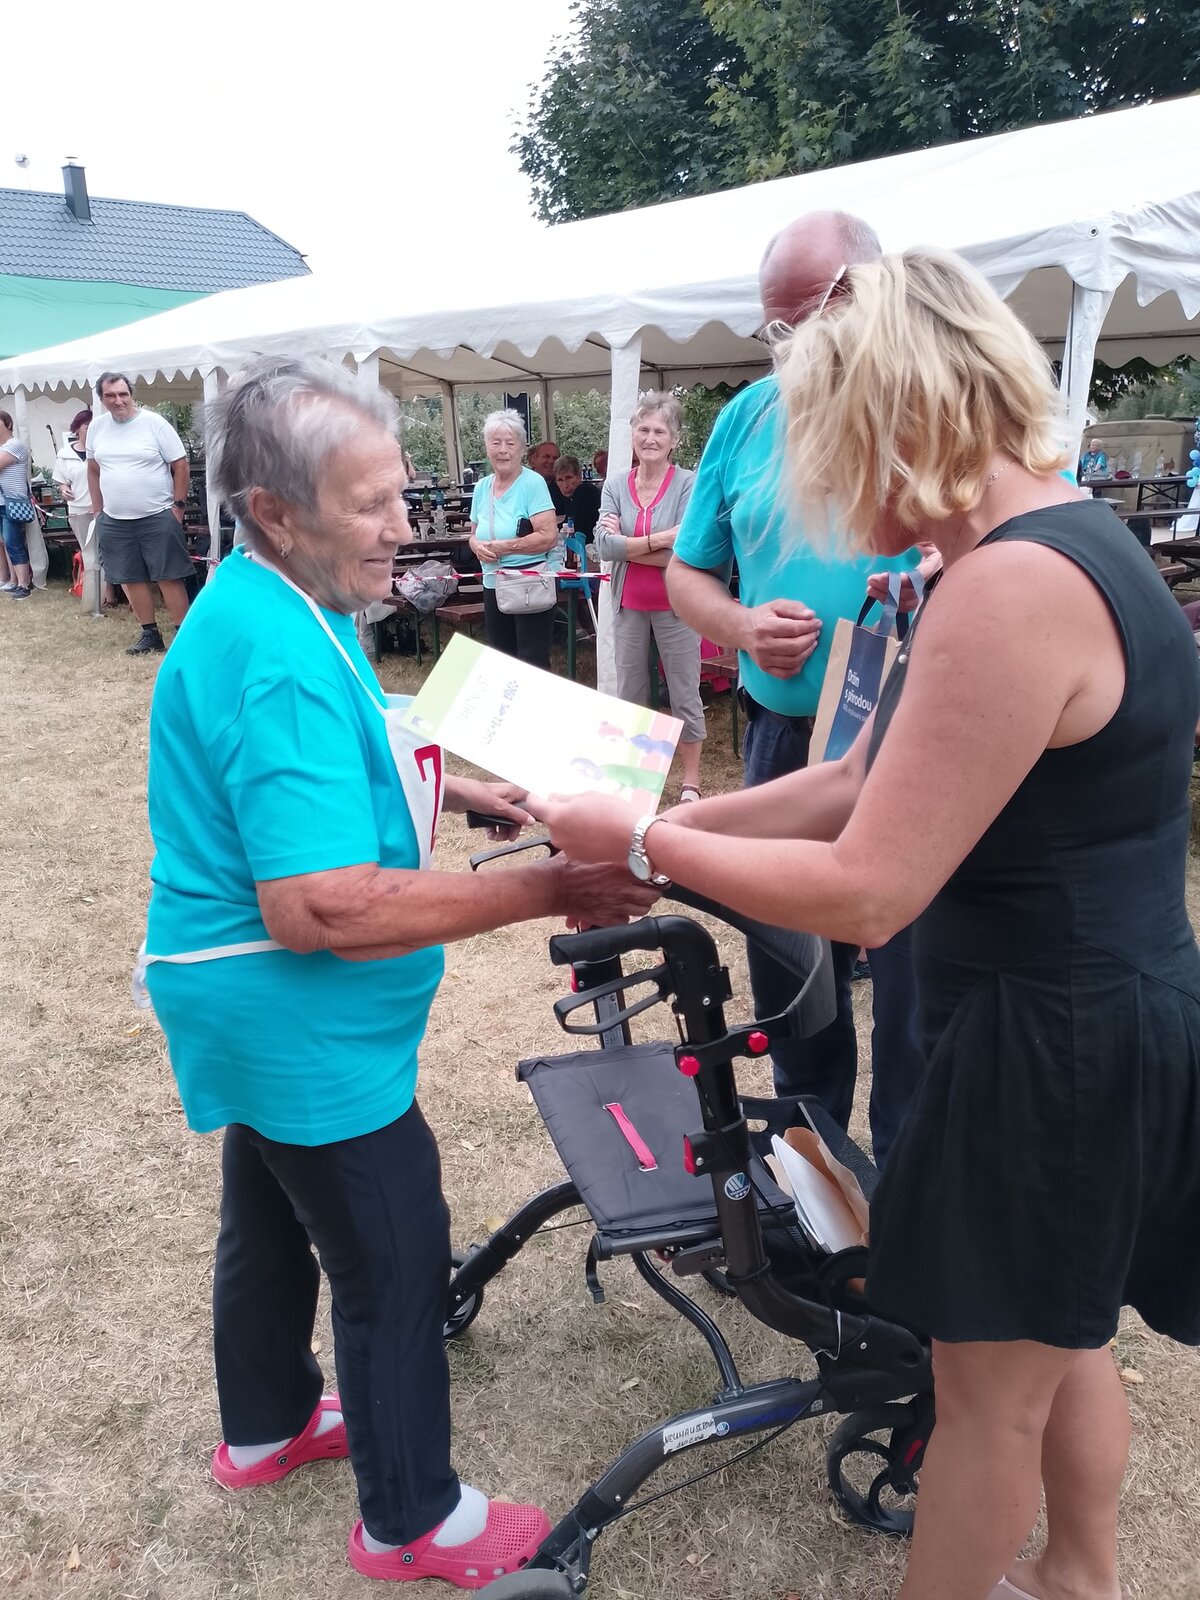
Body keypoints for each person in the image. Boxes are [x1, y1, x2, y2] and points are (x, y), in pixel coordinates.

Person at [528, 246, 1200, 1600]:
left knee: (986, 1387)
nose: (836, 505)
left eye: (837, 454)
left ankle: (1058, 1579)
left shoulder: (1008, 590)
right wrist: (650, 818)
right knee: (1060, 1337)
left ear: (905, 417)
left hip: (1046, 1042)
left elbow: (868, 883)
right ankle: (1078, 1576)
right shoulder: (1060, 546)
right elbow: (851, 782)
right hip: (1085, 1013)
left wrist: (646, 847)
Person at [141, 356, 657, 1587]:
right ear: (275, 511)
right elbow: (320, 903)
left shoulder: (279, 593)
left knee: (270, 1212)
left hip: (245, 1007)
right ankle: (413, 1517)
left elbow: (358, 721)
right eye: (368, 505)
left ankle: (267, 1424)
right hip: (290, 1009)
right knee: (390, 1248)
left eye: (400, 492)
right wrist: (551, 886)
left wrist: (463, 786)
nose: (401, 525)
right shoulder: (274, 644)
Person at [667, 211, 923, 1166]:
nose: (789, 350)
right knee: (790, 962)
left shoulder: (933, 396)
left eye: (806, 323)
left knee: (911, 964)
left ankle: (903, 1171)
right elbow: (689, 571)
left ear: (868, 294)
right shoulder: (746, 417)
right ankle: (810, 1157)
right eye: (774, 330)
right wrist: (740, 627)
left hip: (912, 734)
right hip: (784, 733)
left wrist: (939, 571)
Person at [594, 394, 705, 801]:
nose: (650, 438)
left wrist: (627, 545)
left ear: (674, 439)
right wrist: (659, 540)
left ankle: (690, 780)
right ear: (632, 435)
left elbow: (687, 550)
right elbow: (603, 547)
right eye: (643, 429)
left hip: (678, 606)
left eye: (660, 431)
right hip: (628, 606)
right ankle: (637, 777)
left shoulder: (689, 483)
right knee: (631, 694)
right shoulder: (615, 484)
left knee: (684, 692)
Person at [86, 372, 193, 654]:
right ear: (102, 399)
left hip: (158, 515)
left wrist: (178, 507)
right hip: (115, 520)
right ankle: (150, 634)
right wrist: (98, 510)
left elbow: (180, 465)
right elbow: (93, 469)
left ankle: (183, 635)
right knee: (130, 577)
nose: (118, 400)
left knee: (169, 576)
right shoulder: (97, 428)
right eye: (111, 395)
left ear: (131, 395)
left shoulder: (154, 424)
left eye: (123, 394)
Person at [468, 409, 561, 670]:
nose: (503, 450)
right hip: (492, 583)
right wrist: (475, 546)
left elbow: (549, 536)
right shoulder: (481, 487)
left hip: (528, 583)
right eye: (495, 443)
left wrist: (506, 548)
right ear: (487, 447)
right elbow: (473, 534)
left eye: (510, 443)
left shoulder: (533, 484)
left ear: (521, 448)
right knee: (501, 661)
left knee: (532, 663)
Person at [53, 409, 104, 612]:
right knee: (88, 552)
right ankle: (93, 595)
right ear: (77, 429)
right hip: (78, 510)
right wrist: (63, 489)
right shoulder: (64, 455)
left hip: (102, 508)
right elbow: (61, 481)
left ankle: (107, 595)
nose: (90, 430)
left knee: (104, 551)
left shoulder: (101, 450)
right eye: (86, 426)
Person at [0, 411, 37, 600]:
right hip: (2, 502)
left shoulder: (15, 445)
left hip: (12, 502)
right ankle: (12, 580)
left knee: (13, 542)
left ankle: (24, 584)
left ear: (8, 424)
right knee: (5, 542)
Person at [553, 455, 602, 539]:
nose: (565, 485)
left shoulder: (585, 491)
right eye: (560, 480)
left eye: (569, 478)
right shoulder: (569, 498)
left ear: (579, 476)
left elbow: (579, 530)